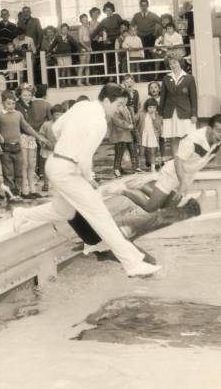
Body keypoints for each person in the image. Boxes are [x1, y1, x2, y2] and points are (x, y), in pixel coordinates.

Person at [12, 84, 160, 278]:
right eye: (119, 104)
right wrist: (89, 178)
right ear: (107, 100)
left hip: (56, 163)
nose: (120, 109)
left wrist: (70, 144)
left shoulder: (82, 106)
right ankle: (132, 263)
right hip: (68, 169)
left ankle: (23, 215)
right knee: (100, 216)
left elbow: (56, 129)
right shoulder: (99, 123)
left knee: (63, 210)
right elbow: (84, 158)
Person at [122, 114, 221, 213]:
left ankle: (143, 186)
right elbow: (178, 161)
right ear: (209, 129)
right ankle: (123, 190)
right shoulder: (193, 139)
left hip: (188, 175)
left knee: (167, 209)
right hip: (173, 173)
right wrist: (182, 183)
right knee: (151, 207)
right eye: (218, 131)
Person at [0, 90, 47, 200]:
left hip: (17, 146)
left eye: (13, 103)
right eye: (8, 103)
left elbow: (27, 127)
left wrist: (39, 137)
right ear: (2, 103)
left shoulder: (18, 114)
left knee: (19, 171)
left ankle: (17, 192)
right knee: (8, 173)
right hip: (6, 148)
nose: (11, 106)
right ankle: (11, 194)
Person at [158, 52, 198, 160]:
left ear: (180, 62)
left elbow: (193, 98)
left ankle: (186, 158)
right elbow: (163, 98)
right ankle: (176, 160)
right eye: (170, 64)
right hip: (170, 112)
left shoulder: (189, 78)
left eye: (175, 63)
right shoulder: (166, 78)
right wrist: (160, 114)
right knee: (173, 137)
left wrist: (194, 114)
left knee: (187, 137)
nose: (173, 65)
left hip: (185, 112)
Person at [92, 2, 124, 82]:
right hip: (109, 42)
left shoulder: (117, 17)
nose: (108, 12)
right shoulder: (103, 21)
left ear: (112, 10)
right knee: (108, 60)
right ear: (104, 11)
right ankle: (108, 77)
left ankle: (119, 77)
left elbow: (124, 25)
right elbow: (96, 31)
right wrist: (90, 39)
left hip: (117, 41)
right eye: (106, 10)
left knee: (118, 60)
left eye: (110, 10)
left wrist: (124, 34)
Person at [131, 0, 163, 76]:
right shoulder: (136, 15)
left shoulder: (153, 15)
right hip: (140, 38)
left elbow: (161, 23)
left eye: (145, 5)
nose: (144, 7)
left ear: (148, 5)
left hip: (151, 38)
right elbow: (132, 25)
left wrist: (158, 32)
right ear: (140, 6)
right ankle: (145, 74)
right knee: (142, 55)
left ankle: (153, 74)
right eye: (142, 5)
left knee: (152, 54)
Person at [110, 98, 140, 177]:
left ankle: (135, 167)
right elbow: (116, 120)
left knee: (133, 151)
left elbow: (132, 119)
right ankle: (116, 169)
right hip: (120, 136)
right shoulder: (115, 110)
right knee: (119, 153)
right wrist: (127, 125)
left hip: (129, 134)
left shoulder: (128, 108)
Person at [48, 23, 80, 87]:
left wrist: (80, 50)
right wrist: (49, 52)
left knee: (68, 69)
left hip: (68, 55)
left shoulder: (70, 37)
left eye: (66, 29)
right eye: (63, 29)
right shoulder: (58, 37)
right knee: (62, 69)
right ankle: (63, 82)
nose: (64, 30)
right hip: (60, 56)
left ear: (68, 30)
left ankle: (69, 82)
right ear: (61, 30)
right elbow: (52, 46)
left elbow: (75, 44)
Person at [137, 98, 163, 171]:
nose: (152, 109)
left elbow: (158, 127)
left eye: (154, 107)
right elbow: (135, 121)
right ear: (146, 107)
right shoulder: (142, 114)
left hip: (153, 136)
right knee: (141, 152)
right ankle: (138, 167)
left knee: (152, 152)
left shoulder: (157, 116)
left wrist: (154, 119)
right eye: (150, 107)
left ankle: (153, 167)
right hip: (143, 135)